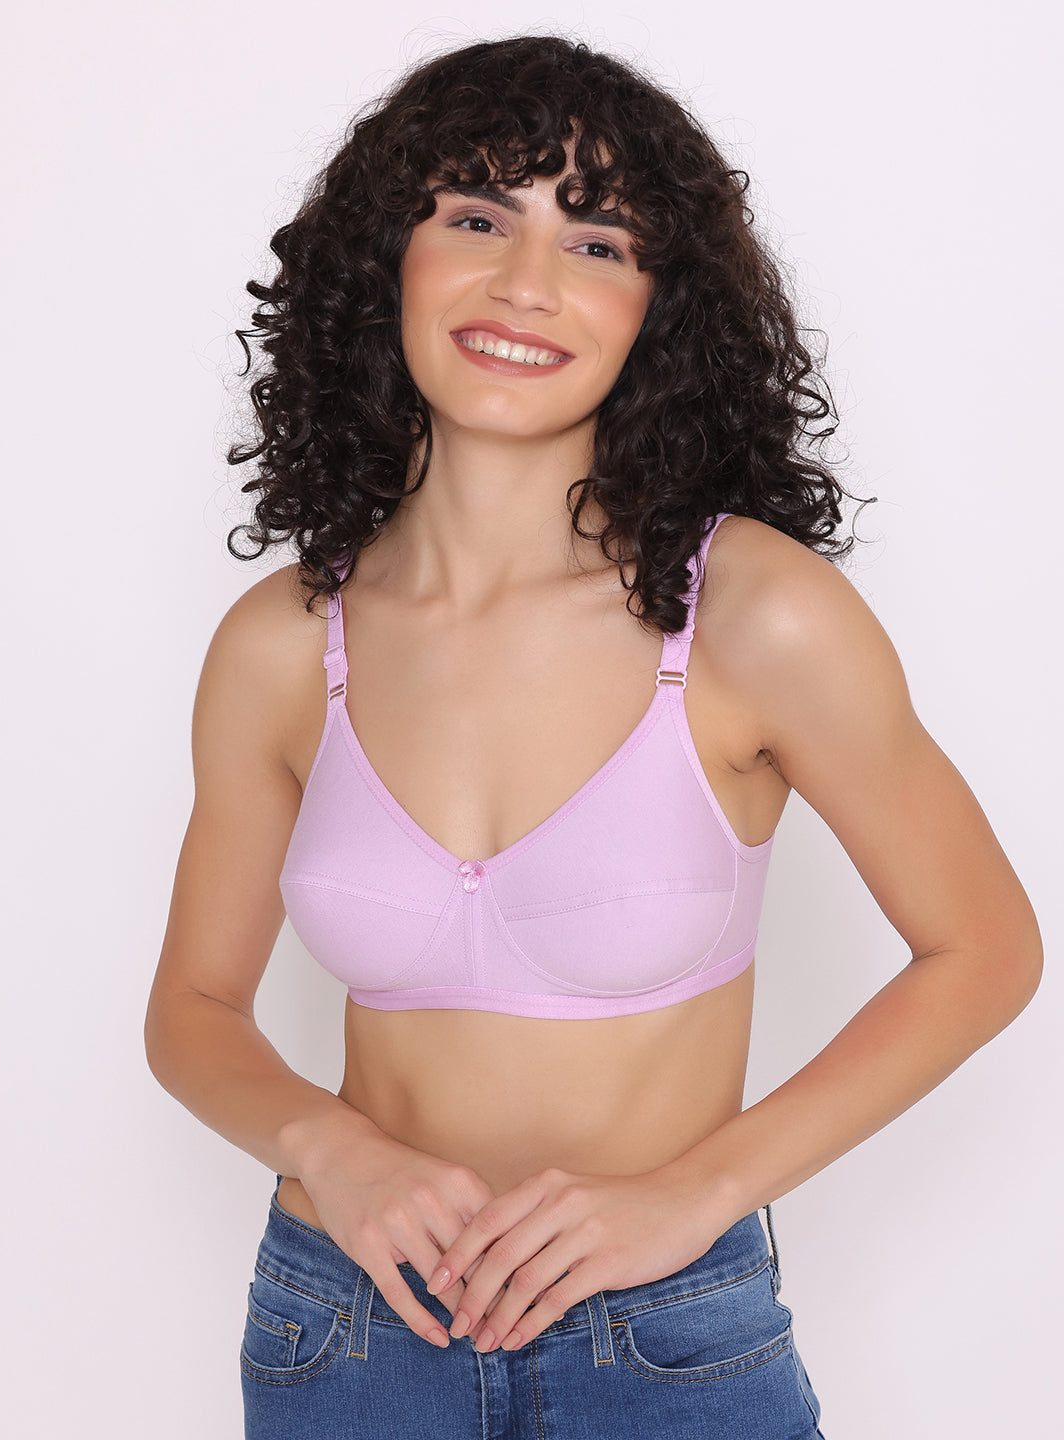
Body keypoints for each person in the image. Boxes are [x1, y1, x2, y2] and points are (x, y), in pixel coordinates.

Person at [144, 34, 1042, 1440]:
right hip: (346, 1331)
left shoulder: (750, 615)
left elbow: (983, 949)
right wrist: (333, 1146)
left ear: (655, 313)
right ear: (388, 260)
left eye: (598, 241)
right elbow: (194, 1009)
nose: (527, 283)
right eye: (477, 218)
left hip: (666, 1341)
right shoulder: (283, 643)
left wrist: (696, 1194)